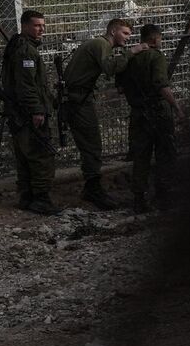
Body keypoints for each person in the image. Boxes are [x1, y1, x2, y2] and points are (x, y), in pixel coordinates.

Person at [61, 17, 134, 209]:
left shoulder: (98, 44)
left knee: (91, 144)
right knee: (92, 145)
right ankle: (93, 190)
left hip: (78, 99)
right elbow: (110, 68)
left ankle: (92, 187)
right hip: (78, 101)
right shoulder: (101, 44)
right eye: (125, 33)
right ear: (113, 31)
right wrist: (131, 53)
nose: (128, 38)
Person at [116, 24, 182, 213]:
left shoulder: (129, 57)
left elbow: (120, 88)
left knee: (141, 157)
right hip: (158, 112)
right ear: (154, 39)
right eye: (160, 39)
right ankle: (164, 196)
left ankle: (139, 199)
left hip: (137, 114)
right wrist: (177, 108)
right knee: (165, 153)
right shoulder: (156, 56)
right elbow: (162, 86)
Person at [0, 10, 58, 215]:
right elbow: (27, 85)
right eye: (37, 25)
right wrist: (37, 110)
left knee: (25, 155)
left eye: (43, 25)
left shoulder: (19, 46)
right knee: (41, 154)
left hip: (19, 113)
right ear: (25, 26)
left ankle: (27, 197)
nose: (41, 29)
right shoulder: (26, 51)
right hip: (27, 113)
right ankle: (41, 199)